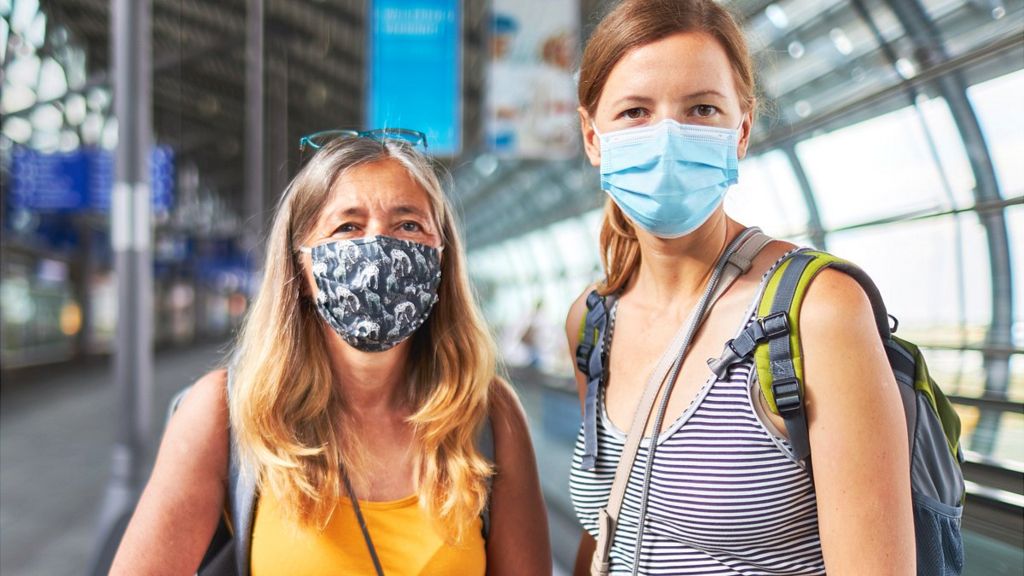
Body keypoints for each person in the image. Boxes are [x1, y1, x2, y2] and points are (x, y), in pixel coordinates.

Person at [564, 1, 914, 574]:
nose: (668, 138)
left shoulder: (817, 312)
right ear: (592, 135)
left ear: (742, 130)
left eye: (702, 108)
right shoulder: (593, 321)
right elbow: (607, 535)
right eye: (634, 112)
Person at [111, 131, 551, 575]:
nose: (379, 248)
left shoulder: (487, 416)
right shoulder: (227, 413)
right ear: (301, 270)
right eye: (347, 227)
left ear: (442, 260)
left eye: (409, 225)